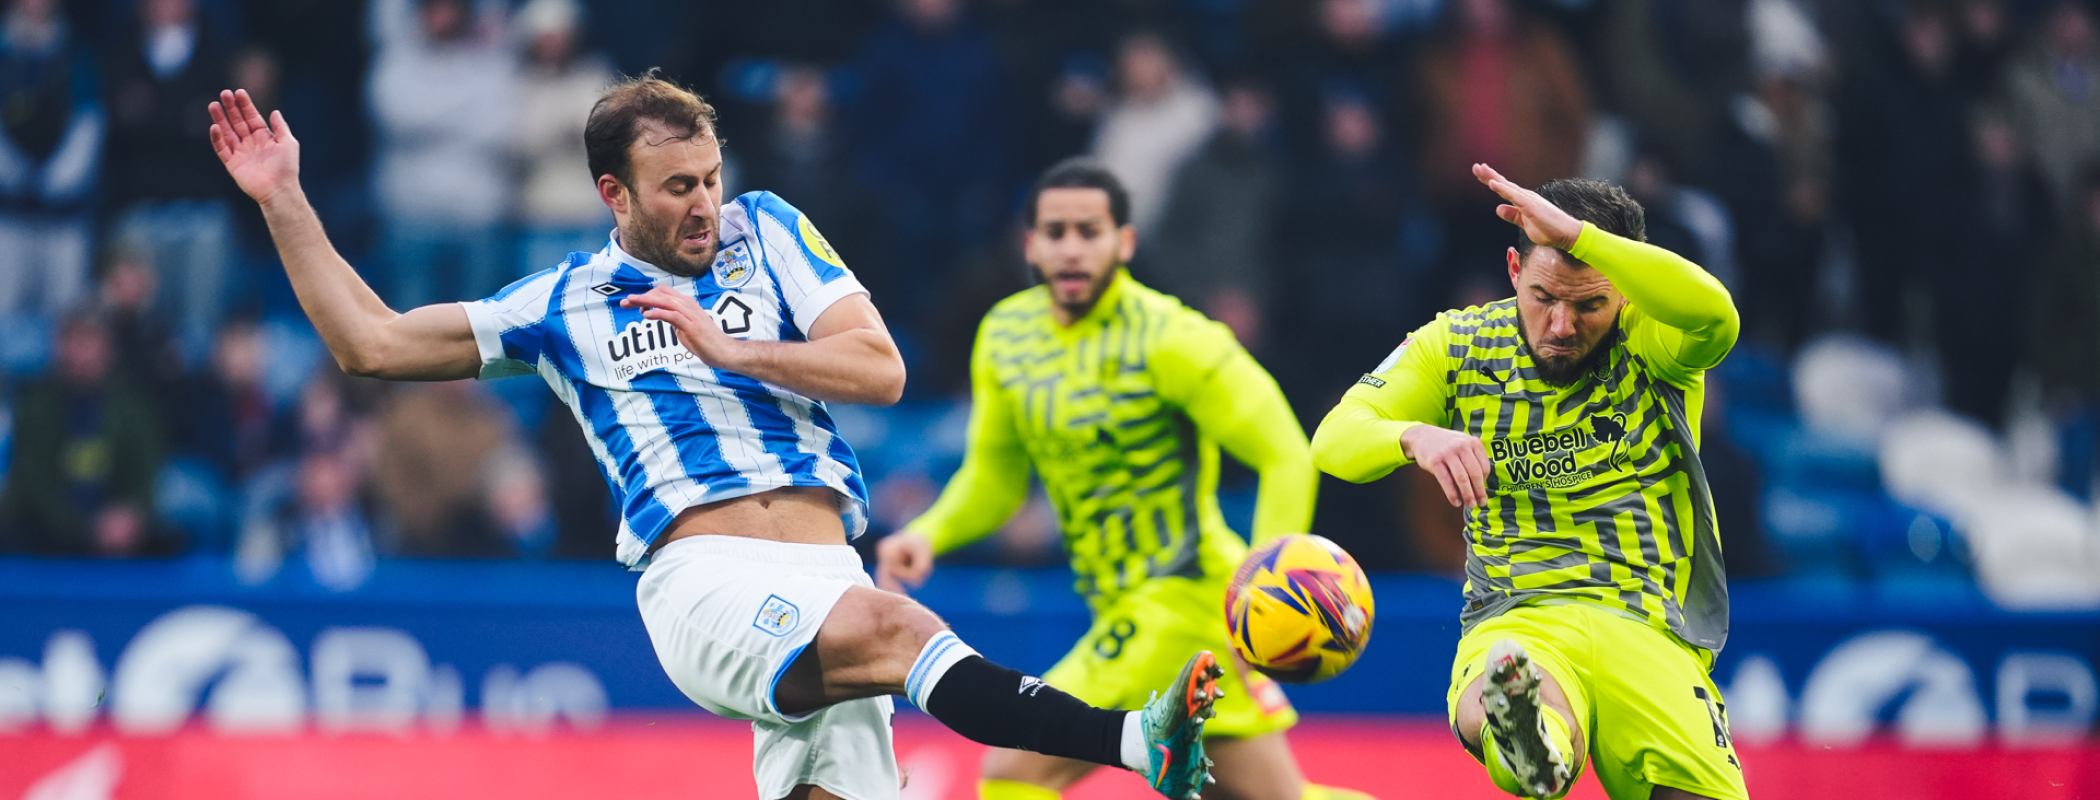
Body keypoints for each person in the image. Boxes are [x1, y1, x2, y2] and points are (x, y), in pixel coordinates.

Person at [207, 76, 1219, 800]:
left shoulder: (768, 230)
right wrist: (284, 199)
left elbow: (881, 367)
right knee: (903, 629)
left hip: (831, 568)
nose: (704, 204)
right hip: (705, 577)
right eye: (678, 186)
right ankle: (1136, 739)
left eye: (710, 176)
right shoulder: (563, 303)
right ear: (615, 195)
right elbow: (372, 344)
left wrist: (739, 353)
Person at [877, 158, 1370, 800]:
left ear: (1126, 242)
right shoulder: (1006, 336)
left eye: (1091, 230)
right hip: (1119, 604)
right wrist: (931, 532)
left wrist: (1264, 586)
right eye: (1056, 232)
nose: (1072, 247)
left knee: (1012, 768)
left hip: (1182, 597)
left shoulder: (1175, 338)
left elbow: (1284, 451)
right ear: (1030, 244)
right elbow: (996, 477)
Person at [1312, 166, 1746, 800]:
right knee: (1514, 700)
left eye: (1588, 303)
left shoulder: (1654, 338)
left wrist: (1584, 239)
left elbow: (1719, 316)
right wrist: (1414, 437)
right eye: (1543, 297)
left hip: (1646, 626)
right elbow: (1334, 440)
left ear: (1624, 288)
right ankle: (1530, 740)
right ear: (1514, 269)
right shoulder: (1457, 345)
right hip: (1520, 616)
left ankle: (1532, 742)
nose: (1561, 325)